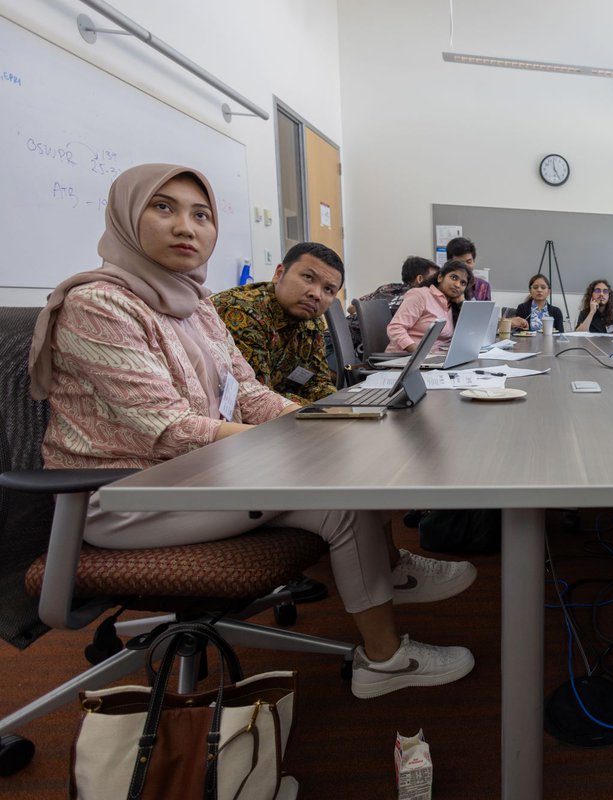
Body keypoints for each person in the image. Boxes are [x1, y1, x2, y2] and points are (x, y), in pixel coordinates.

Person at [28, 163, 478, 699]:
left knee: (350, 471)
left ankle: (391, 584)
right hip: (126, 493)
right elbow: (167, 427)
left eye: (201, 215)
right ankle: (384, 660)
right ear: (126, 216)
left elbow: (247, 389)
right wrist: (297, 441)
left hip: (195, 473)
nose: (185, 228)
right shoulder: (98, 304)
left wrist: (318, 421)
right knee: (340, 498)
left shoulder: (193, 304)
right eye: (163, 208)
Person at [212, 242, 342, 405]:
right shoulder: (242, 312)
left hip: (280, 413)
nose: (316, 294)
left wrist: (340, 406)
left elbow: (316, 382)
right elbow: (257, 397)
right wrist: (319, 410)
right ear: (279, 274)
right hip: (229, 419)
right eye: (308, 278)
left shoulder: (311, 320)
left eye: (328, 290)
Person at [347, 255, 439, 351]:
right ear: (420, 279)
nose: (436, 284)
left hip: (344, 334)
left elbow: (351, 308)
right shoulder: (415, 299)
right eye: (433, 279)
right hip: (347, 343)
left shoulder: (388, 287)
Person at [386, 259, 471, 352]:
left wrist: (462, 304)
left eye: (463, 283)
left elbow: (470, 335)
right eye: (454, 277)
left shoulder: (452, 305)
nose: (457, 285)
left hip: (437, 358)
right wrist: (419, 354)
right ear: (440, 278)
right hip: (406, 358)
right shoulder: (420, 295)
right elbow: (395, 328)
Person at [446, 237, 491, 301]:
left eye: (469, 262)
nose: (465, 267)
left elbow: (486, 310)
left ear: (474, 261)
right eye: (459, 263)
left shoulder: (483, 286)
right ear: (449, 263)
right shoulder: (445, 285)